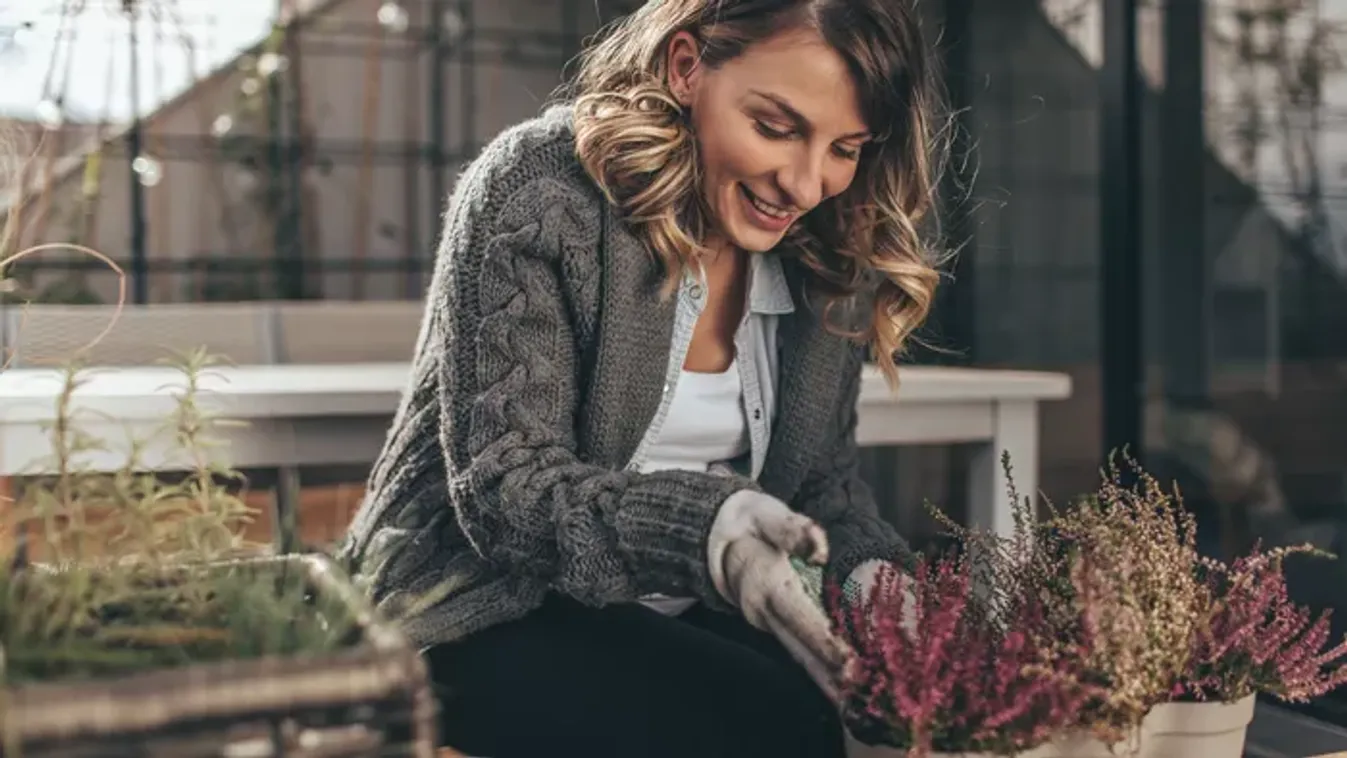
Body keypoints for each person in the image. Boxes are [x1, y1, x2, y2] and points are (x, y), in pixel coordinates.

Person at [338, 0, 947, 755]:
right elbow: (507, 492)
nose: (805, 182)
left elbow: (823, 492)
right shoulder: (540, 190)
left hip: (679, 601)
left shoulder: (828, 251)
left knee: (854, 716)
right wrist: (710, 531)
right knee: (766, 724)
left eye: (845, 148)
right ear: (686, 67)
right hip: (475, 600)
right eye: (776, 127)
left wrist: (876, 590)